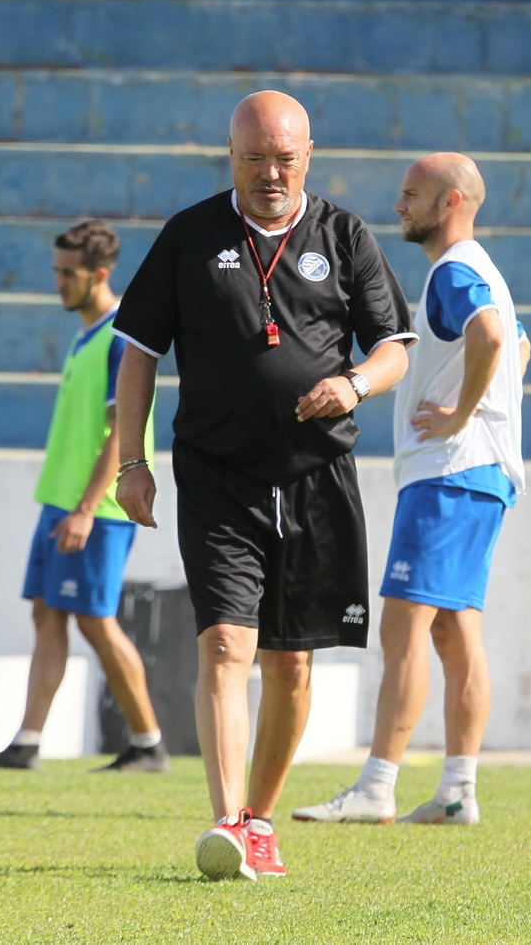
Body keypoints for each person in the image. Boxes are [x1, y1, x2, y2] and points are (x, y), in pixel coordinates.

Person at [110, 91, 417, 880]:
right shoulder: (190, 235)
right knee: (223, 646)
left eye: (284, 159)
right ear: (231, 156)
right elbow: (140, 351)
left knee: (291, 665)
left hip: (317, 476)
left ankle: (260, 819)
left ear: (308, 155)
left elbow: (394, 349)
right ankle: (223, 821)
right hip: (217, 477)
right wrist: (130, 462)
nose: (270, 174)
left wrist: (354, 385)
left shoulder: (345, 235)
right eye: (255, 160)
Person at [292, 153, 528, 827]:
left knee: (403, 627)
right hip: (481, 471)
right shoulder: (483, 271)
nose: (399, 207)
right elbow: (517, 345)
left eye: (411, 195)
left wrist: (458, 415)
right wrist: (485, 407)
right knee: (456, 635)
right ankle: (458, 791)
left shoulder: (455, 271)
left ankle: (377, 787)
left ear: (450, 201)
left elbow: (488, 336)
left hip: (450, 472)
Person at [0, 220, 166, 774]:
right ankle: (27, 742)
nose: (57, 282)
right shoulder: (88, 332)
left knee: (95, 620)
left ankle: (148, 743)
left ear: (99, 274)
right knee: (48, 613)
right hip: (60, 501)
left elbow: (120, 431)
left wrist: (85, 508)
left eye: (67, 273)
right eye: (56, 271)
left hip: (96, 509)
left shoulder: (120, 337)